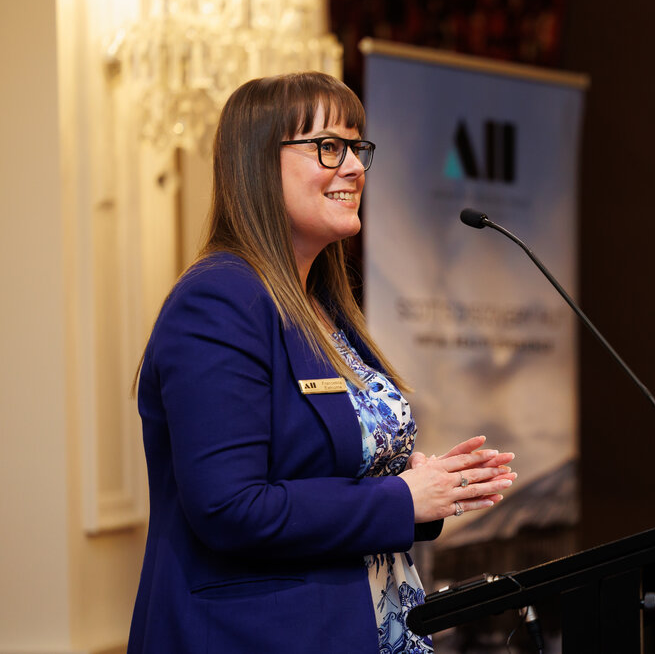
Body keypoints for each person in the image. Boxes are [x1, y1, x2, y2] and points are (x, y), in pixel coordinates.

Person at [126, 71, 517, 654]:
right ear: (259, 164)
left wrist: (425, 485)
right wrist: (401, 498)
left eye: (357, 148)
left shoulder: (321, 305)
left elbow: (320, 464)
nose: (355, 168)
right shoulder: (219, 298)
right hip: (258, 636)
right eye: (329, 147)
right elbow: (230, 508)